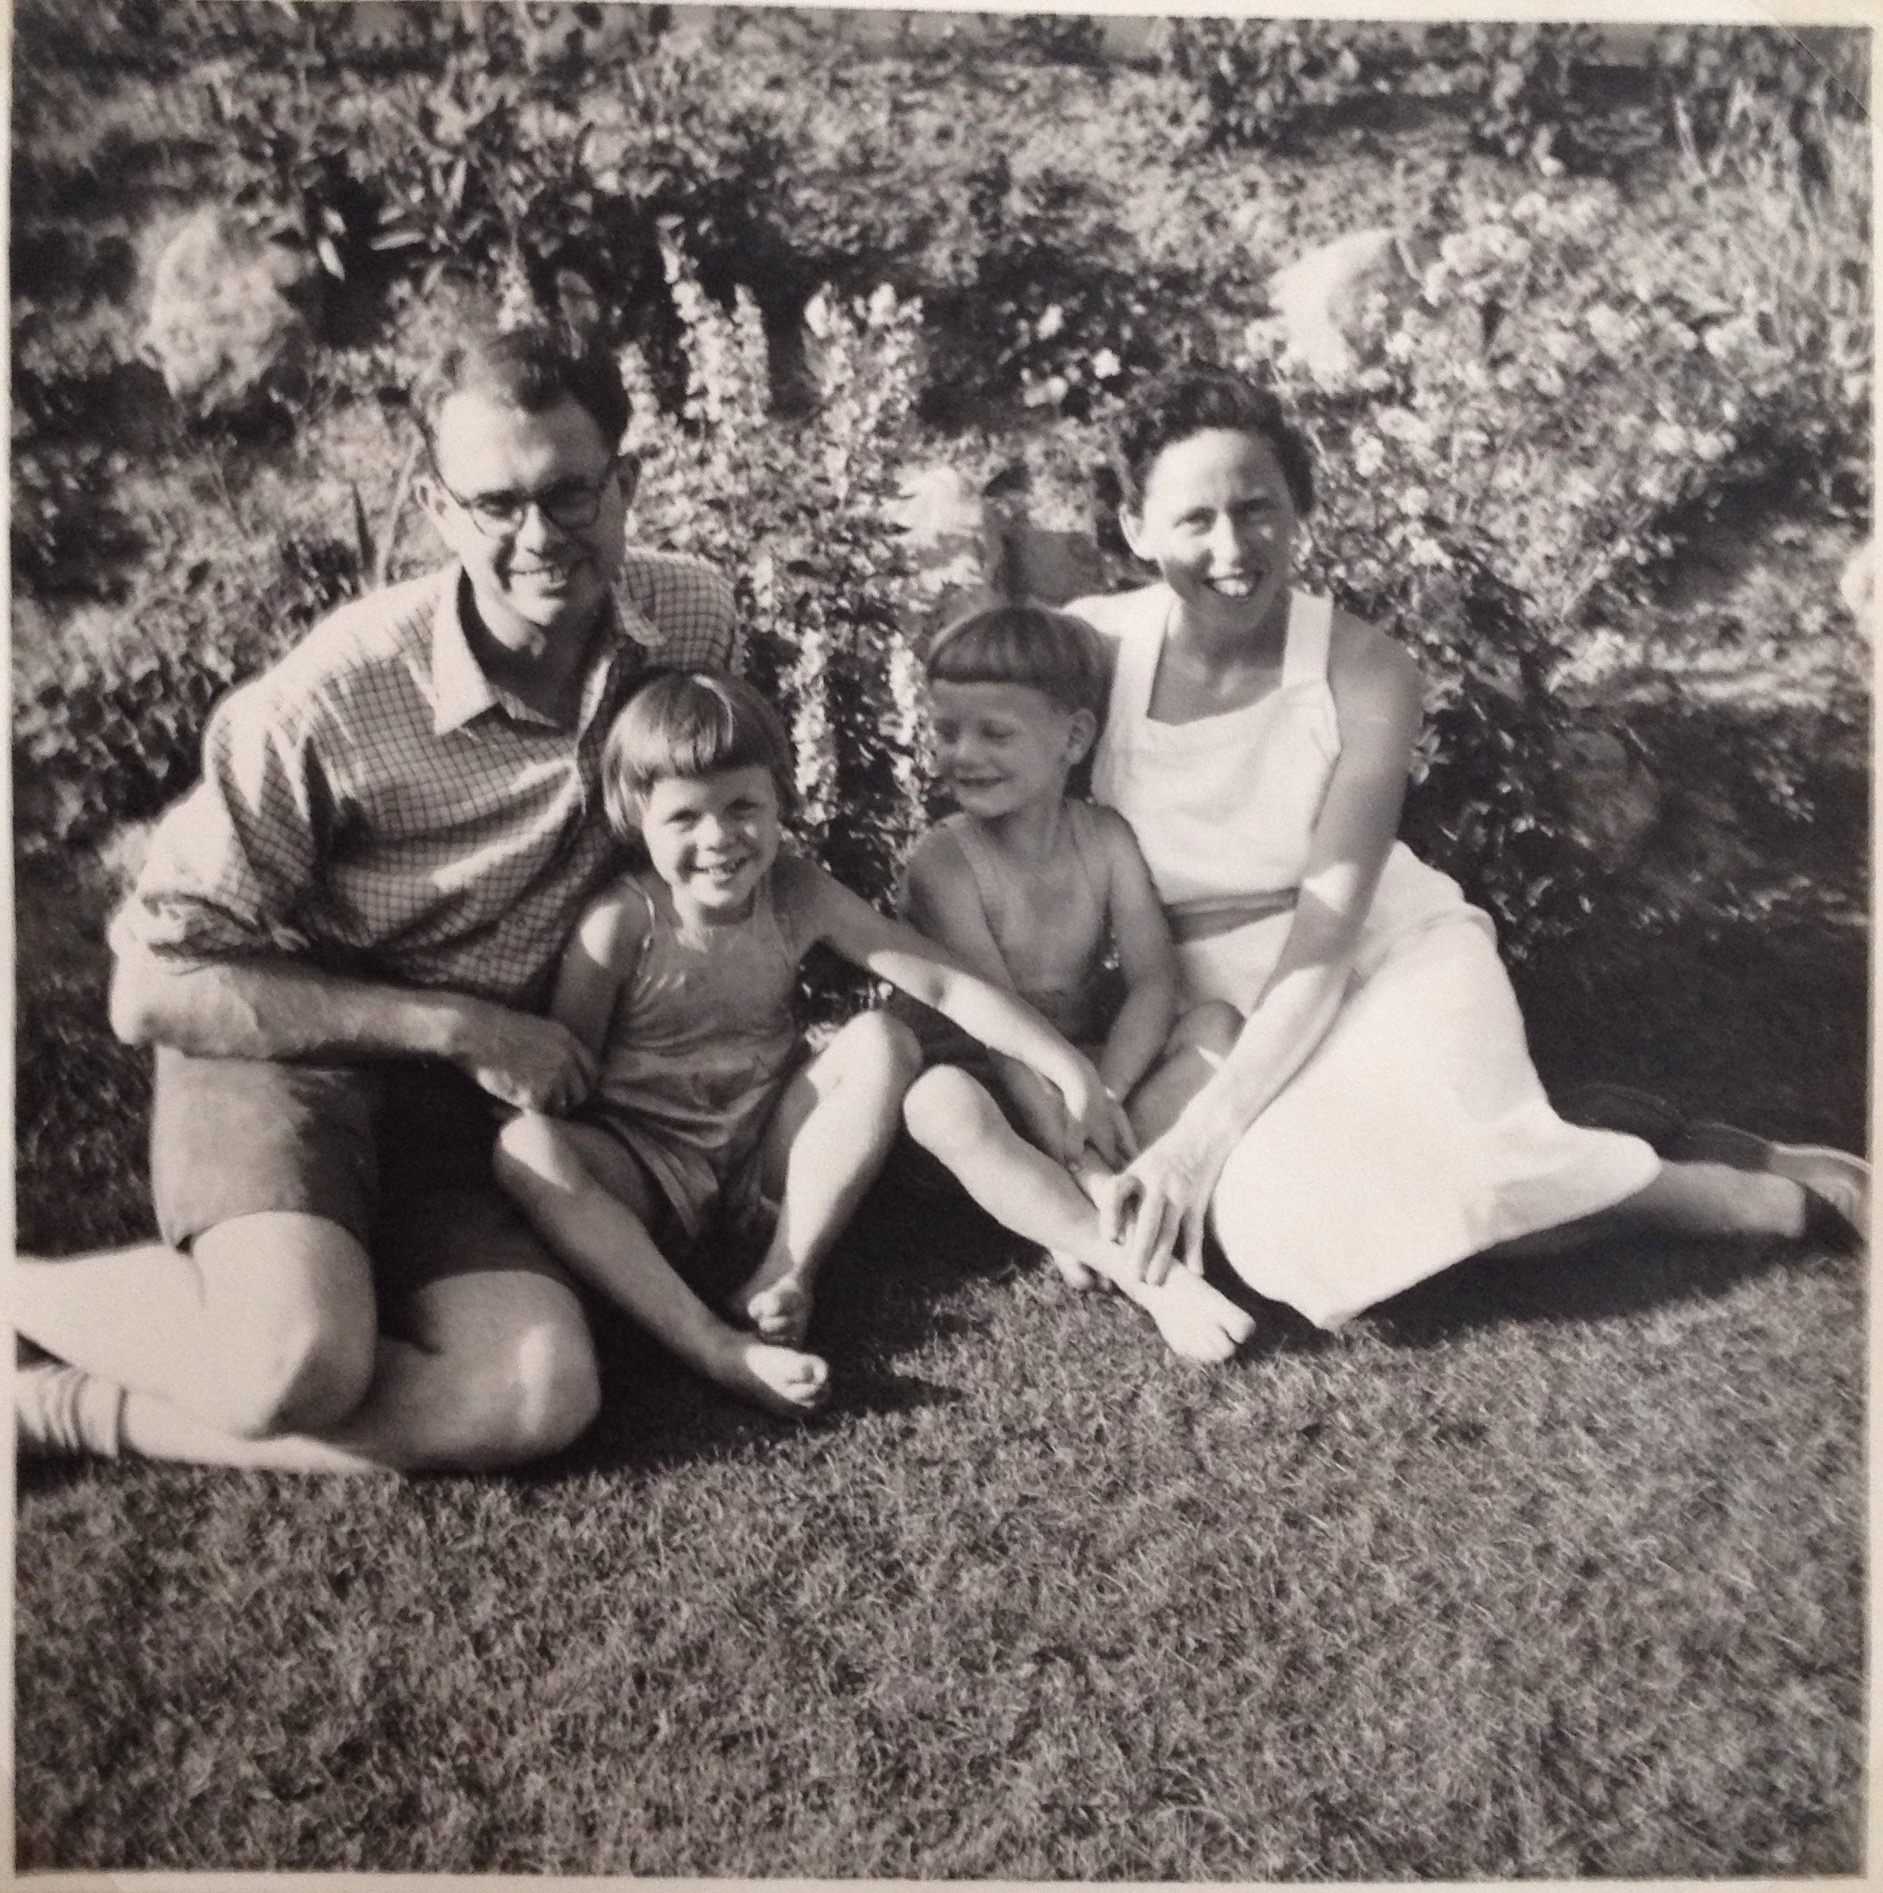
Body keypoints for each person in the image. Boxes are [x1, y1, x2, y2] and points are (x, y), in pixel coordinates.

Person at [16, 322, 742, 1470]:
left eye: (570, 492)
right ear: (438, 511)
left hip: (473, 1099)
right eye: (495, 504)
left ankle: (50, 1410)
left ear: (627, 483)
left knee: (533, 1399)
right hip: (288, 1047)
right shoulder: (331, 699)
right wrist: (455, 1026)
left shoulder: (689, 622)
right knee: (296, 1366)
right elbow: (150, 990)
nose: (538, 537)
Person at [1062, 365, 1868, 1324]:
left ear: (1299, 508)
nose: (1232, 547)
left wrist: (1198, 1142)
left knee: (1434, 1186)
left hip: (1373, 958)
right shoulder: (1092, 651)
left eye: (1257, 507)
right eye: (1194, 519)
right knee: (1296, 1236)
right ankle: (1589, 1138)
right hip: (1211, 1000)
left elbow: (1323, 943)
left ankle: (1739, 1196)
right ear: (1135, 528)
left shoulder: (1365, 669)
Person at [493, 669, 1134, 1393]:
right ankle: (707, 1341)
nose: (718, 838)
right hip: (647, 1164)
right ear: (634, 814)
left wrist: (1068, 1066)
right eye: (684, 817)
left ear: (780, 798)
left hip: (770, 1156)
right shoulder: (620, 924)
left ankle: (785, 1271)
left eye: (743, 806)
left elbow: (943, 982)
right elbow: (566, 1072)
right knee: (528, 1147)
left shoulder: (795, 892)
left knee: (881, 1039)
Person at [895, 600, 1256, 1362]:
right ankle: (1128, 1256)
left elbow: (1154, 982)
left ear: (1073, 738)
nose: (963, 754)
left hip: (1082, 1083)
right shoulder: (943, 863)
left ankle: (1065, 1211)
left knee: (1217, 1024)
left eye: (994, 732)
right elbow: (997, 1034)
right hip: (989, 1092)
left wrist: (1107, 1092)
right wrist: (1085, 1153)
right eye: (946, 731)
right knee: (937, 1102)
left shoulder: (1105, 838)